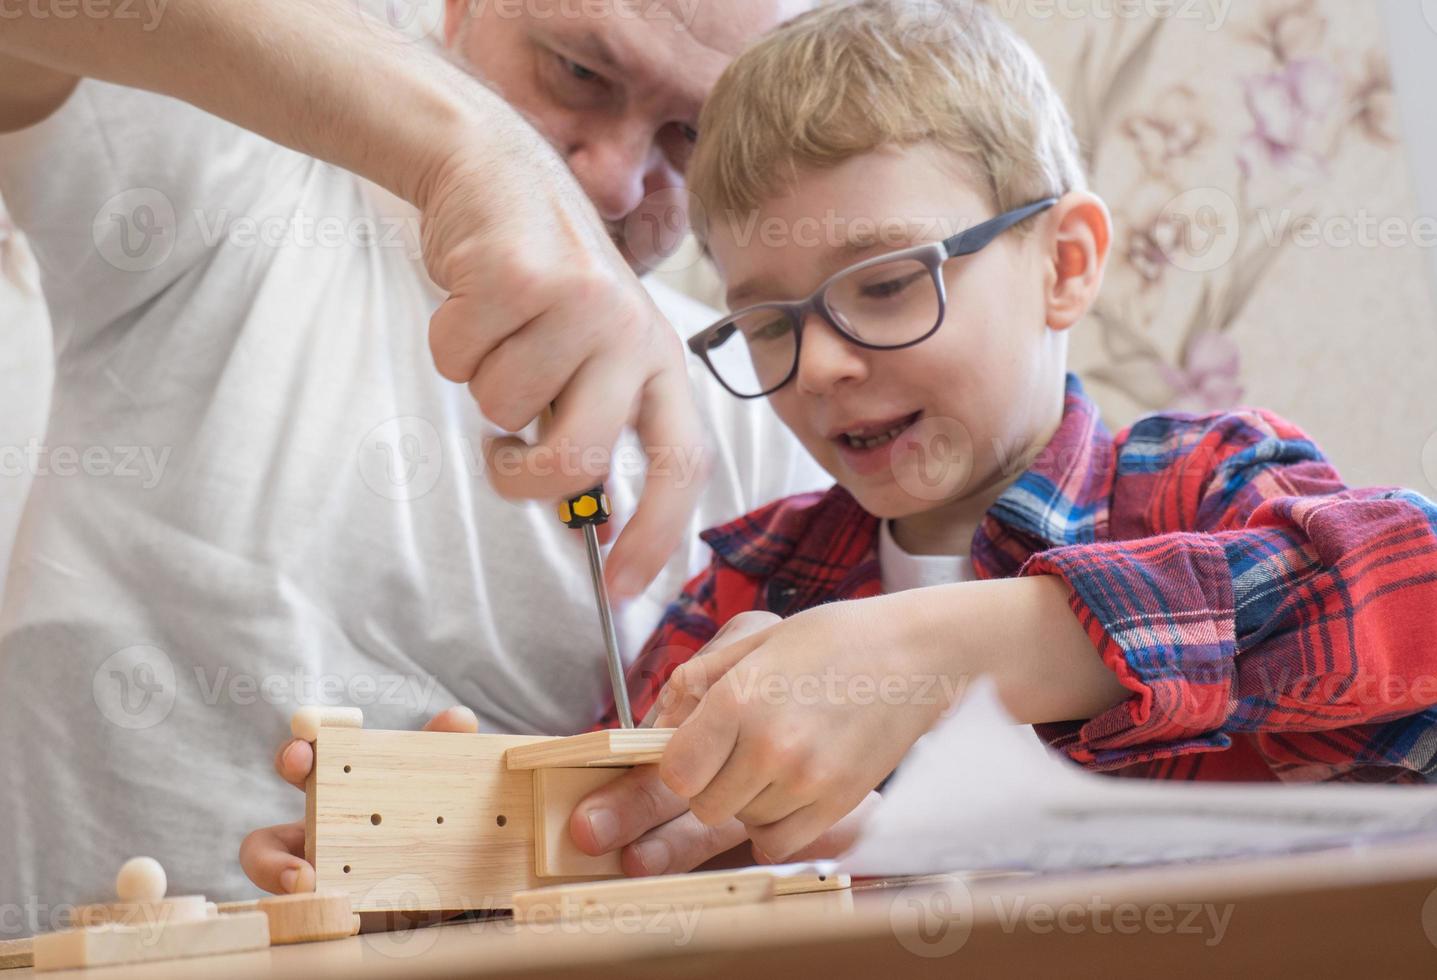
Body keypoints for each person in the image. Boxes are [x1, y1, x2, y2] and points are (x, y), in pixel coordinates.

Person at [0, 0, 827, 928]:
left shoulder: (761, 401)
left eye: (688, 133)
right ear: (463, 10)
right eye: (578, 73)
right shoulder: (233, 185)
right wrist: (469, 149)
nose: (616, 185)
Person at [571, 0, 1437, 868]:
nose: (820, 364)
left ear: (1064, 264)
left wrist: (939, 651)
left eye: (883, 284)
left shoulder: (1203, 485)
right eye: (766, 323)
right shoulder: (749, 581)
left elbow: (1414, 589)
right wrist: (480, 795)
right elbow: (600, 806)